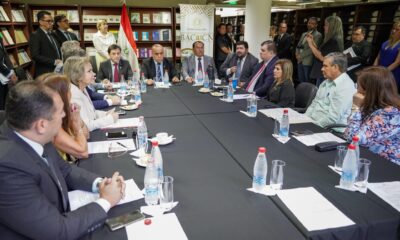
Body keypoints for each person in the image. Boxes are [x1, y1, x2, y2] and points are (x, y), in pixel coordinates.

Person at [0, 80, 125, 239]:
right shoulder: (7, 168)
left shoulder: (33, 134)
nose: (65, 115)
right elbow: (57, 232)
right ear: (42, 125)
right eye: (60, 112)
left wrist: (100, 184)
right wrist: (106, 200)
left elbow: (65, 170)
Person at [344, 66, 400, 165]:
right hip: (369, 158)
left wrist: (356, 107)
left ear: (369, 90)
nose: (357, 90)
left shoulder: (390, 114)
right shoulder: (374, 107)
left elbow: (353, 138)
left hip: (387, 166)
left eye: (359, 86)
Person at [40, 73, 89, 161]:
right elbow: (83, 152)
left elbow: (86, 135)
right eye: (69, 89)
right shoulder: (53, 124)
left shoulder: (66, 111)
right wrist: (76, 125)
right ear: (62, 94)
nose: (71, 93)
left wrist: (77, 118)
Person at [64, 56, 118, 131]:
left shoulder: (83, 88)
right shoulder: (73, 95)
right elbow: (86, 126)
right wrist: (110, 119)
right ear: (78, 76)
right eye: (89, 71)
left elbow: (91, 113)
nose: (94, 74)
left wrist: (105, 114)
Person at [305, 52, 355, 130]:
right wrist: (303, 119)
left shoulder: (345, 86)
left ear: (335, 67)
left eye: (325, 66)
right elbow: (314, 104)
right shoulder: (326, 82)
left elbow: (332, 118)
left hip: (330, 130)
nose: (322, 69)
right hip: (313, 124)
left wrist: (312, 127)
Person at [308, 16, 344, 86]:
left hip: (325, 73)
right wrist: (312, 42)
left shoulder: (333, 41)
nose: (324, 27)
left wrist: (310, 44)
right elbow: (321, 51)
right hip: (324, 72)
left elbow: (322, 57)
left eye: (326, 25)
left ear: (332, 27)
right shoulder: (333, 39)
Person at [29, 10, 62, 77]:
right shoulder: (36, 35)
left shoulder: (53, 34)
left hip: (57, 70)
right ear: (41, 22)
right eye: (48, 21)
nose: (51, 23)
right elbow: (35, 55)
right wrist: (53, 62)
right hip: (45, 72)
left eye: (52, 21)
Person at [373, 22, 400, 92]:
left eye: (397, 29)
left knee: (385, 94)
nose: (393, 31)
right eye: (393, 29)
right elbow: (378, 57)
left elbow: (397, 62)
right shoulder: (386, 42)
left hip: (391, 74)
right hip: (380, 71)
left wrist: (383, 72)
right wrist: (374, 68)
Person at [296, 17, 322, 83]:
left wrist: (300, 56)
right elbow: (298, 45)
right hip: (299, 60)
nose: (310, 24)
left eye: (312, 23)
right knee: (301, 79)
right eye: (309, 23)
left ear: (316, 25)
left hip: (308, 61)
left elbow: (312, 49)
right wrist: (297, 54)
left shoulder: (318, 35)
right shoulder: (304, 34)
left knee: (307, 81)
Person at [0, 34, 17, 110]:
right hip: (3, 76)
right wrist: (9, 74)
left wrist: (12, 71)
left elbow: (5, 55)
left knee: (5, 104)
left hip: (4, 78)